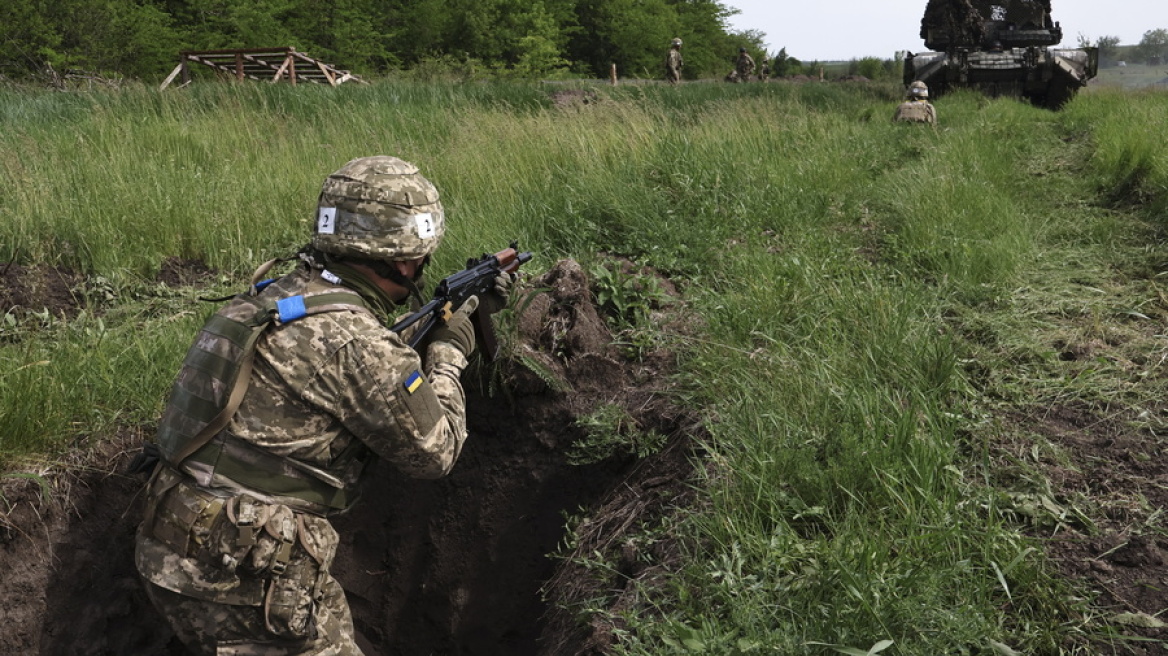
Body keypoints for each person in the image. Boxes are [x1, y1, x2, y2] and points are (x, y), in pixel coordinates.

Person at [134, 155, 513, 655]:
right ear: (403, 260)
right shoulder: (355, 342)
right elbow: (436, 452)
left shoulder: (271, 297)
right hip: (241, 577)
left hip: (170, 540)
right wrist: (446, 352)